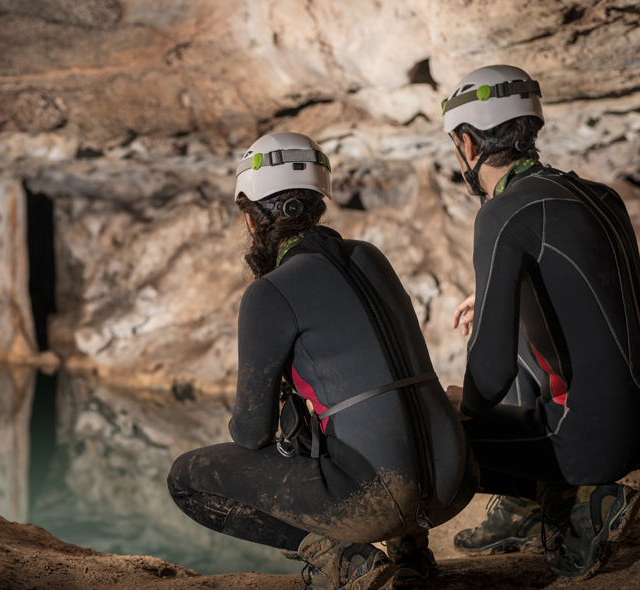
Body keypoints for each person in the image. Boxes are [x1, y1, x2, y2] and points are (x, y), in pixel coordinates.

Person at [167, 132, 478, 590]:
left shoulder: (268, 293)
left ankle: (342, 557)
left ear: (254, 221)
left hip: (377, 498)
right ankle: (412, 553)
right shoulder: (370, 257)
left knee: (186, 479)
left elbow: (252, 433)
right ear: (319, 204)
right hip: (455, 479)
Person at [441, 64, 640, 580]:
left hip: (594, 443)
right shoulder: (602, 196)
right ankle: (536, 507)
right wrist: (489, 294)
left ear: (466, 144)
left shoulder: (501, 213)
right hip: (634, 421)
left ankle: (573, 500)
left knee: (427, 431)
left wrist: (464, 405)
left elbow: (488, 375)